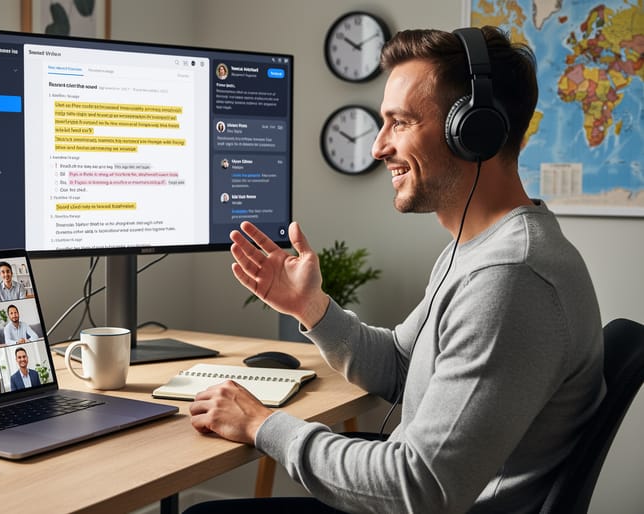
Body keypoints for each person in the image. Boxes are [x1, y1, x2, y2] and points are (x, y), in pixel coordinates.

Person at [186, 27, 604, 513]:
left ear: (473, 131)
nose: (377, 147)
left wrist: (262, 425)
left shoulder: (509, 277)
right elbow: (404, 368)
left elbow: (420, 488)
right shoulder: (478, 250)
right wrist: (313, 308)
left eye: (400, 122)